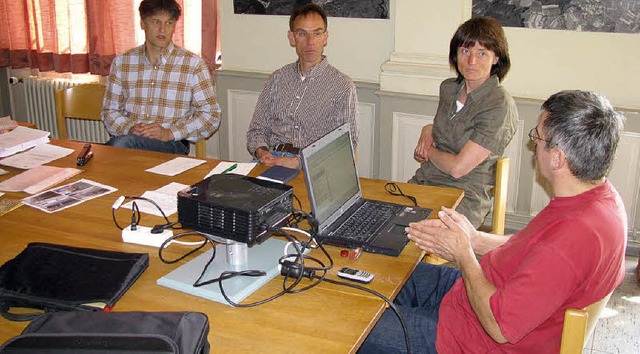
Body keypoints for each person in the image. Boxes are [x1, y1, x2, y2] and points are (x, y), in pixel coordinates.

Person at [359, 90, 627, 353]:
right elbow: (531, 248)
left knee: (349, 324)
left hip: (467, 338)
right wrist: (474, 239)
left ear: (558, 157)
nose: (534, 144)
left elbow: (498, 326)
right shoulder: (598, 199)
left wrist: (463, 254)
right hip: (473, 295)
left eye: (538, 138)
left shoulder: (573, 236)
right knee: (381, 274)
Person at [410, 17, 518, 228]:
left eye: (482, 53)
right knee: (380, 220)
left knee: (413, 238)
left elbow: (459, 168)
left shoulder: (499, 104)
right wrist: (428, 130)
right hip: (427, 180)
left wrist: (428, 151)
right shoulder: (448, 89)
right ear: (455, 54)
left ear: (496, 58)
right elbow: (449, 132)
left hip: (465, 195)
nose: (471, 61)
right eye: (465, 51)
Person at [246, 3, 359, 169]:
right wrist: (261, 152)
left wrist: (297, 162)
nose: (310, 42)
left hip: (315, 169)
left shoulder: (342, 86)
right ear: (292, 38)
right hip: (269, 161)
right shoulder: (277, 79)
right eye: (302, 34)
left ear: (325, 37)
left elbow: (344, 146)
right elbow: (256, 130)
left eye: (317, 33)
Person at [102, 0, 220, 155]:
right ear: (143, 24)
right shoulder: (122, 62)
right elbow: (110, 111)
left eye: (169, 23)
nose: (163, 29)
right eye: (156, 22)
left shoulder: (192, 64)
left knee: (117, 147)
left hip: (171, 145)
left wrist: (169, 133)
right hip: (130, 140)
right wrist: (129, 128)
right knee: (121, 145)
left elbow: (211, 115)